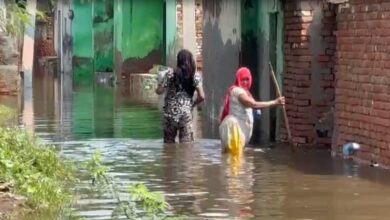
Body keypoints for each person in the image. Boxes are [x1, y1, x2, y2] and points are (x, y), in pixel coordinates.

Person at [219, 67, 285, 154]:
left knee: (233, 159)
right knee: (234, 161)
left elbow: (253, 105)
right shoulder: (238, 91)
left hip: (237, 132)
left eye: (247, 79)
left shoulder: (246, 93)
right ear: (238, 79)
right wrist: (275, 102)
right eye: (242, 79)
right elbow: (253, 104)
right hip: (234, 130)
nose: (245, 82)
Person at [155, 49, 205, 143]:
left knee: (168, 145)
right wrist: (192, 104)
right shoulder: (194, 76)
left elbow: (159, 91)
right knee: (186, 146)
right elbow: (202, 96)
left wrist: (157, 86)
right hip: (186, 114)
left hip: (170, 114)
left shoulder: (170, 73)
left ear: (179, 61)